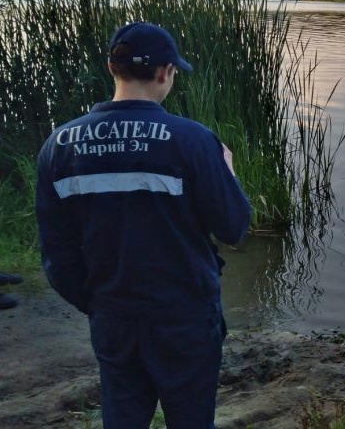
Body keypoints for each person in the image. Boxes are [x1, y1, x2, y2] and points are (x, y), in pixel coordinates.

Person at [35, 22, 252, 428]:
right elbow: (234, 227)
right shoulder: (192, 140)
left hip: (113, 316)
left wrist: (98, 301)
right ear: (165, 72)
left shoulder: (59, 146)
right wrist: (230, 172)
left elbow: (57, 257)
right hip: (185, 318)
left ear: (111, 68)